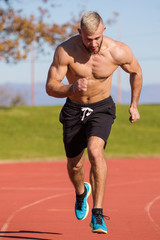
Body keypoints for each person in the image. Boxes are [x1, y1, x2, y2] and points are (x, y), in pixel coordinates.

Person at [46, 11, 142, 234]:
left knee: (95, 151)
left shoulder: (118, 50)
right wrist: (71, 89)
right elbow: (50, 87)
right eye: (88, 38)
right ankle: (81, 193)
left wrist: (134, 104)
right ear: (80, 32)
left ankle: (98, 214)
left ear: (103, 32)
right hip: (73, 108)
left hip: (101, 108)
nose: (93, 43)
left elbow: (136, 72)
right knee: (74, 165)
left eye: (97, 38)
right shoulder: (66, 51)